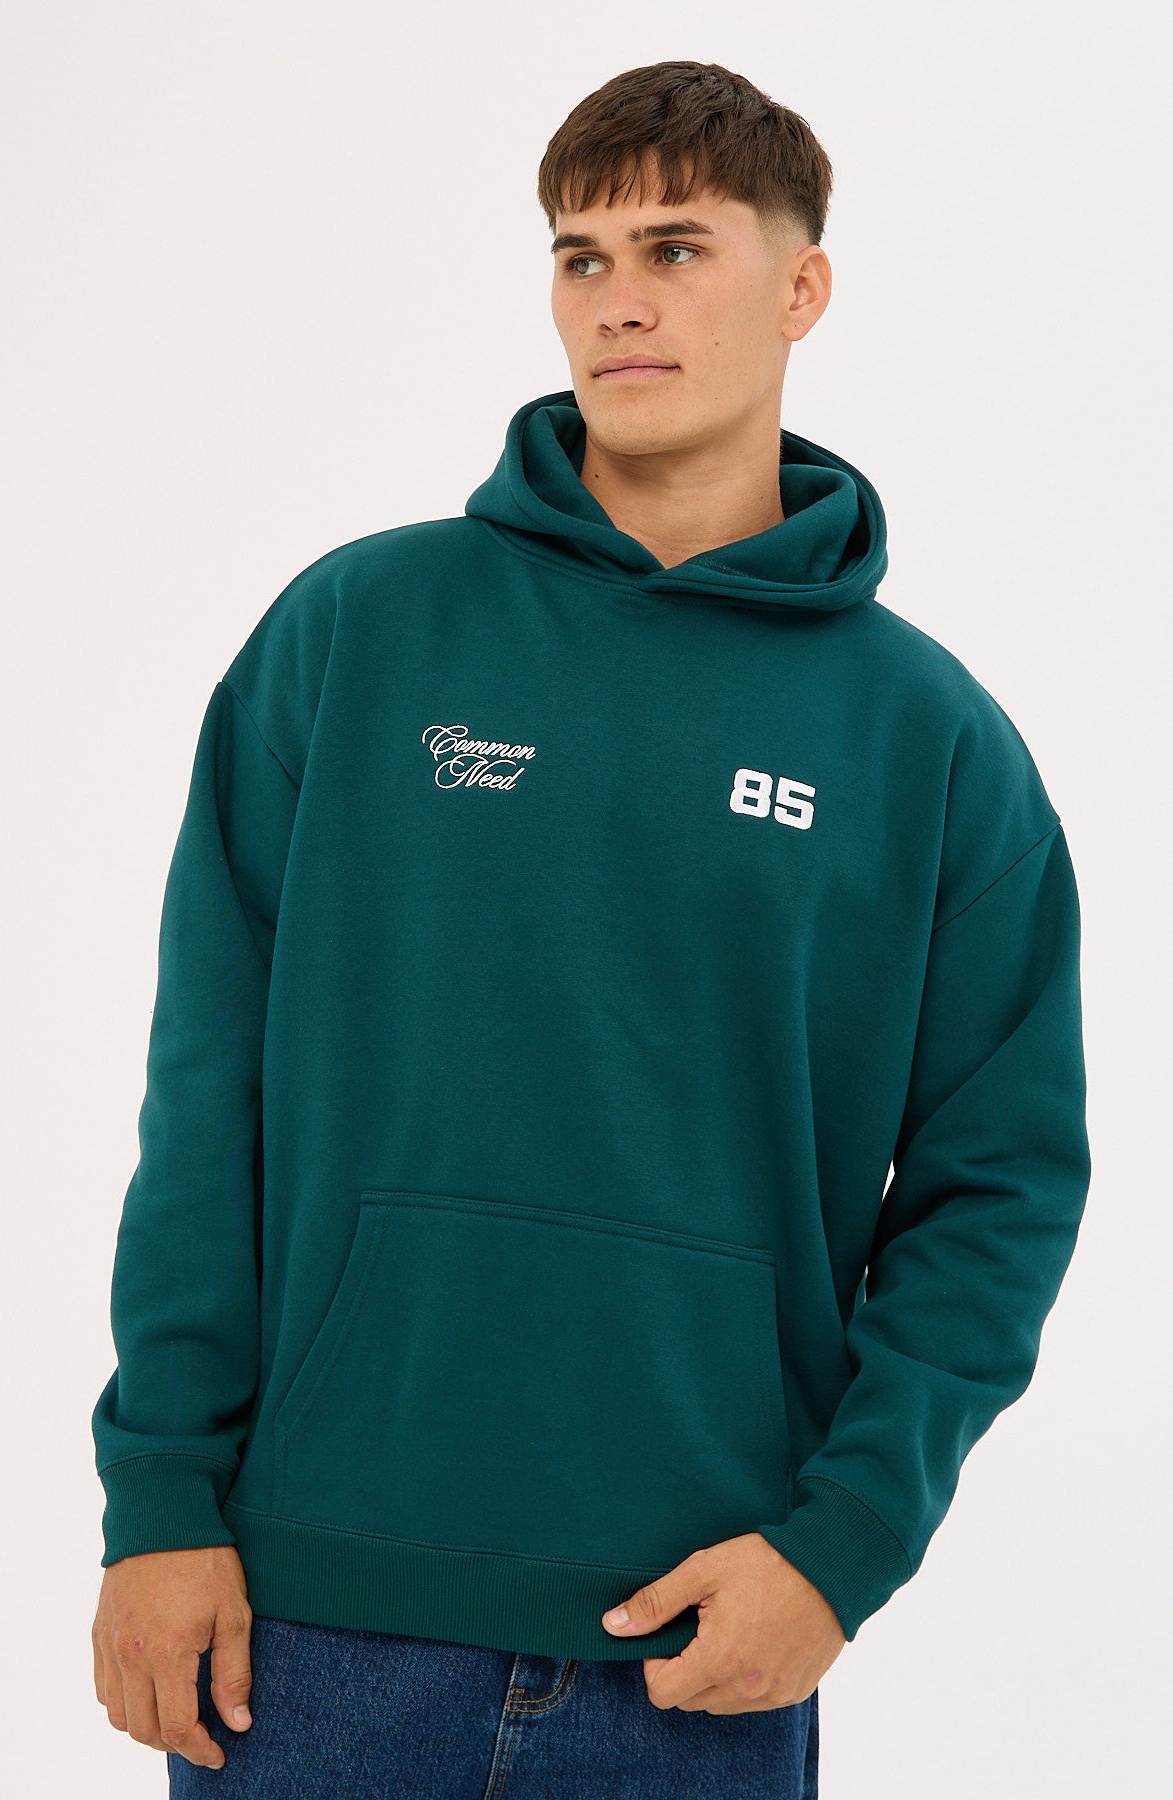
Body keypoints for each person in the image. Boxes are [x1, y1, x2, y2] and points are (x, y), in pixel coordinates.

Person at [90, 60, 1091, 1799]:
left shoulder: (928, 744)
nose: (618, 299)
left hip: (702, 1641)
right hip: (307, 1627)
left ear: (802, 286)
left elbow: (998, 1187)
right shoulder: (358, 634)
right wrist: (157, 1495)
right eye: (581, 255)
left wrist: (843, 1547)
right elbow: (208, 1088)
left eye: (677, 248)